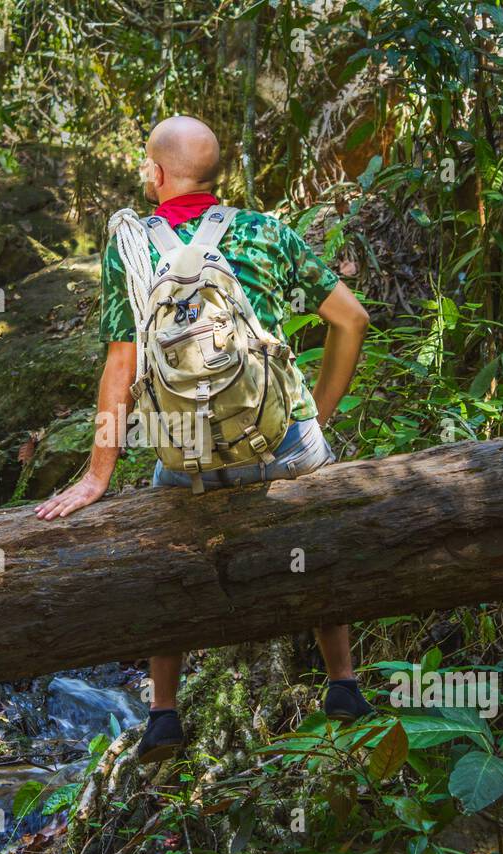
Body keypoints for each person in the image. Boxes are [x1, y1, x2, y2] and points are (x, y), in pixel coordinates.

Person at [34, 116, 374, 763]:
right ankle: (343, 682)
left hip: (191, 464)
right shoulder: (264, 232)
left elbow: (120, 369)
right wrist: (318, 415)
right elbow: (351, 320)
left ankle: (164, 713)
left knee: (168, 546)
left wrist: (96, 477)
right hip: (281, 449)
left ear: (158, 174)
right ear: (216, 175)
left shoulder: (133, 247)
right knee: (319, 511)